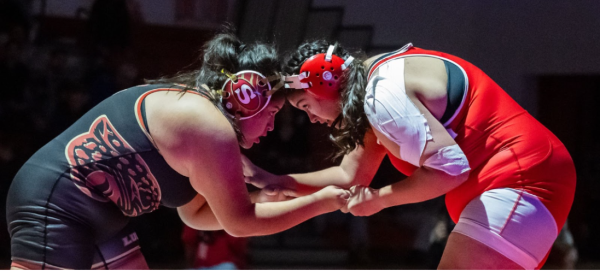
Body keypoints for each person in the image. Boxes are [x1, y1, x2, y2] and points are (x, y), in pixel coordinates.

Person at [5, 31, 350, 270]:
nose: (272, 127)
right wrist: (322, 202)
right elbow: (240, 224)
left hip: (100, 215)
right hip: (55, 203)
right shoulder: (208, 126)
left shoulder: (201, 120)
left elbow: (194, 214)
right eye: (272, 114)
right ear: (247, 98)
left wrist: (260, 199)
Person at [242, 40, 576, 269]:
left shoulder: (383, 95)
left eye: (305, 106)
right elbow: (349, 177)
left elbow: (450, 170)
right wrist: (275, 180)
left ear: (324, 81)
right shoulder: (372, 91)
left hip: (521, 177)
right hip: (515, 181)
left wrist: (381, 198)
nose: (312, 119)